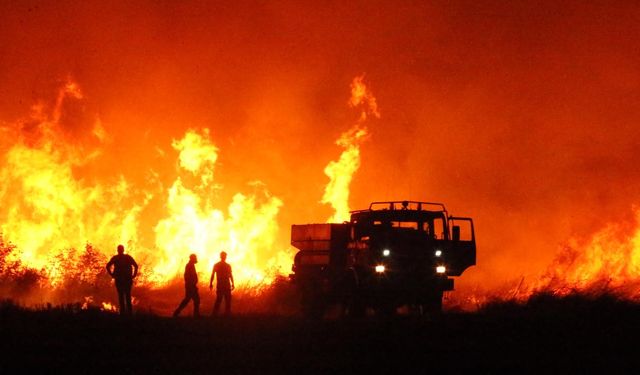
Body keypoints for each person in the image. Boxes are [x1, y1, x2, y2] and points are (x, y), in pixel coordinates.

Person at [106, 244, 138, 316]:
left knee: (121, 296)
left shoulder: (116, 258)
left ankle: (123, 314)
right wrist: (134, 275)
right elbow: (136, 266)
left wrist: (112, 275)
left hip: (120, 279)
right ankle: (128, 314)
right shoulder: (127, 257)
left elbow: (107, 266)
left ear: (118, 250)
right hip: (126, 279)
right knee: (127, 296)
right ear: (123, 250)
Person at [173, 254, 200, 318]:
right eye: (195, 258)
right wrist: (191, 285)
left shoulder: (191, 265)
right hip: (191, 286)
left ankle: (177, 312)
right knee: (193, 300)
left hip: (191, 286)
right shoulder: (189, 265)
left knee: (190, 300)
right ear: (192, 258)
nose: (196, 259)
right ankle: (177, 313)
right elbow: (186, 276)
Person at [209, 251, 235, 316]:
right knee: (223, 299)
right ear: (221, 257)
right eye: (224, 256)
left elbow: (230, 275)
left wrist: (232, 283)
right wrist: (232, 283)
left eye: (225, 256)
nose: (224, 257)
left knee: (224, 300)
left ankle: (219, 314)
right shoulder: (225, 265)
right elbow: (230, 275)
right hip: (224, 285)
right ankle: (219, 314)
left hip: (223, 285)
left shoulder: (218, 265)